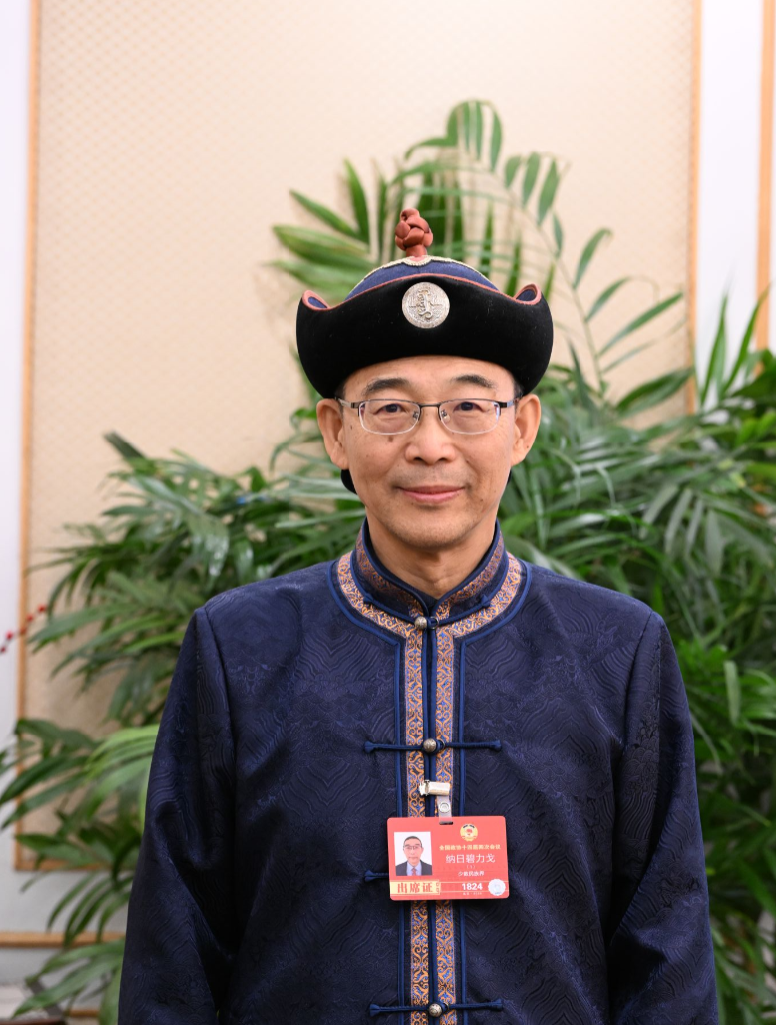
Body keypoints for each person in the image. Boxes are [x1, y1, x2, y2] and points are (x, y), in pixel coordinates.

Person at [117, 209, 718, 1024]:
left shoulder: (618, 650)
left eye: (468, 407)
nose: (431, 444)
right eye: (391, 409)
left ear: (522, 428)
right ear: (336, 432)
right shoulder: (239, 648)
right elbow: (174, 956)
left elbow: (667, 949)